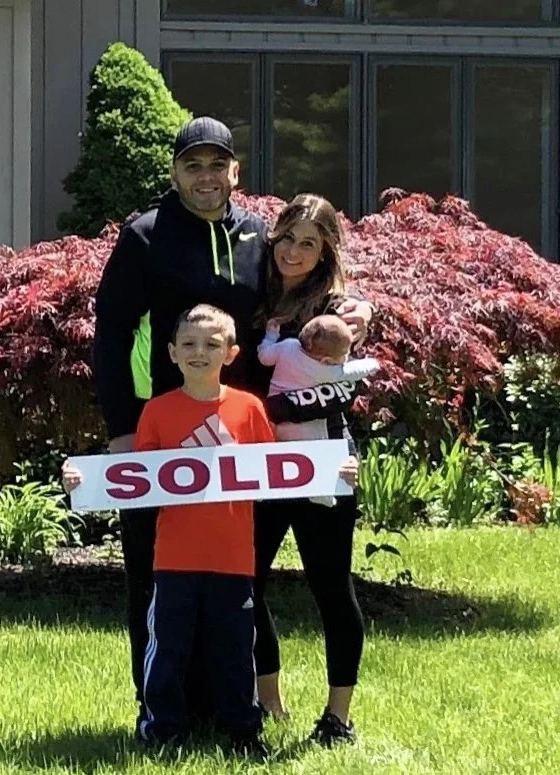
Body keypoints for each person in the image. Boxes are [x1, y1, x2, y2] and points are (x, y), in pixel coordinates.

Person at [92, 116, 373, 720]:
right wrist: (122, 427)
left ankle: (228, 701)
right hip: (164, 433)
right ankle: (159, 704)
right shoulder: (144, 235)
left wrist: (354, 308)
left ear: (234, 172)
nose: (205, 177)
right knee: (158, 570)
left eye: (217, 165)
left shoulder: (255, 236)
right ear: (174, 172)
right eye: (192, 165)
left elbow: (306, 292)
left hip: (250, 437)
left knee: (229, 574)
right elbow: (111, 337)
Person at [65, 305, 360, 756]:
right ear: (171, 352)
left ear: (231, 353)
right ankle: (162, 729)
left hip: (234, 558)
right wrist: (86, 482)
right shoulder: (158, 413)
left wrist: (333, 471)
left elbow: (278, 472)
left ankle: (243, 730)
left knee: (235, 650)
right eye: (188, 344)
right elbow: (139, 481)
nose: (198, 352)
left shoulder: (249, 409)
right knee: (168, 649)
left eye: (211, 344)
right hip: (174, 560)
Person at [253, 193, 372, 746]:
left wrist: (361, 309)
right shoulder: (256, 286)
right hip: (257, 463)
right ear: (273, 236)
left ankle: (338, 718)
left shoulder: (339, 310)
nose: (293, 252)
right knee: (245, 582)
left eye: (309, 243)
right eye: (287, 238)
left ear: (326, 251)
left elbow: (339, 390)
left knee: (330, 585)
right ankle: (268, 704)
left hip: (324, 465)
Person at [257, 313, 380, 506]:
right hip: (304, 426)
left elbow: (264, 356)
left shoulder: (287, 346)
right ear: (326, 360)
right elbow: (352, 372)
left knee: (275, 457)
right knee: (316, 450)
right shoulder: (327, 370)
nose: (346, 358)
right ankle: (320, 490)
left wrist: (271, 336)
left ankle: (263, 491)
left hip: (275, 418)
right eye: (344, 355)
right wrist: (372, 364)